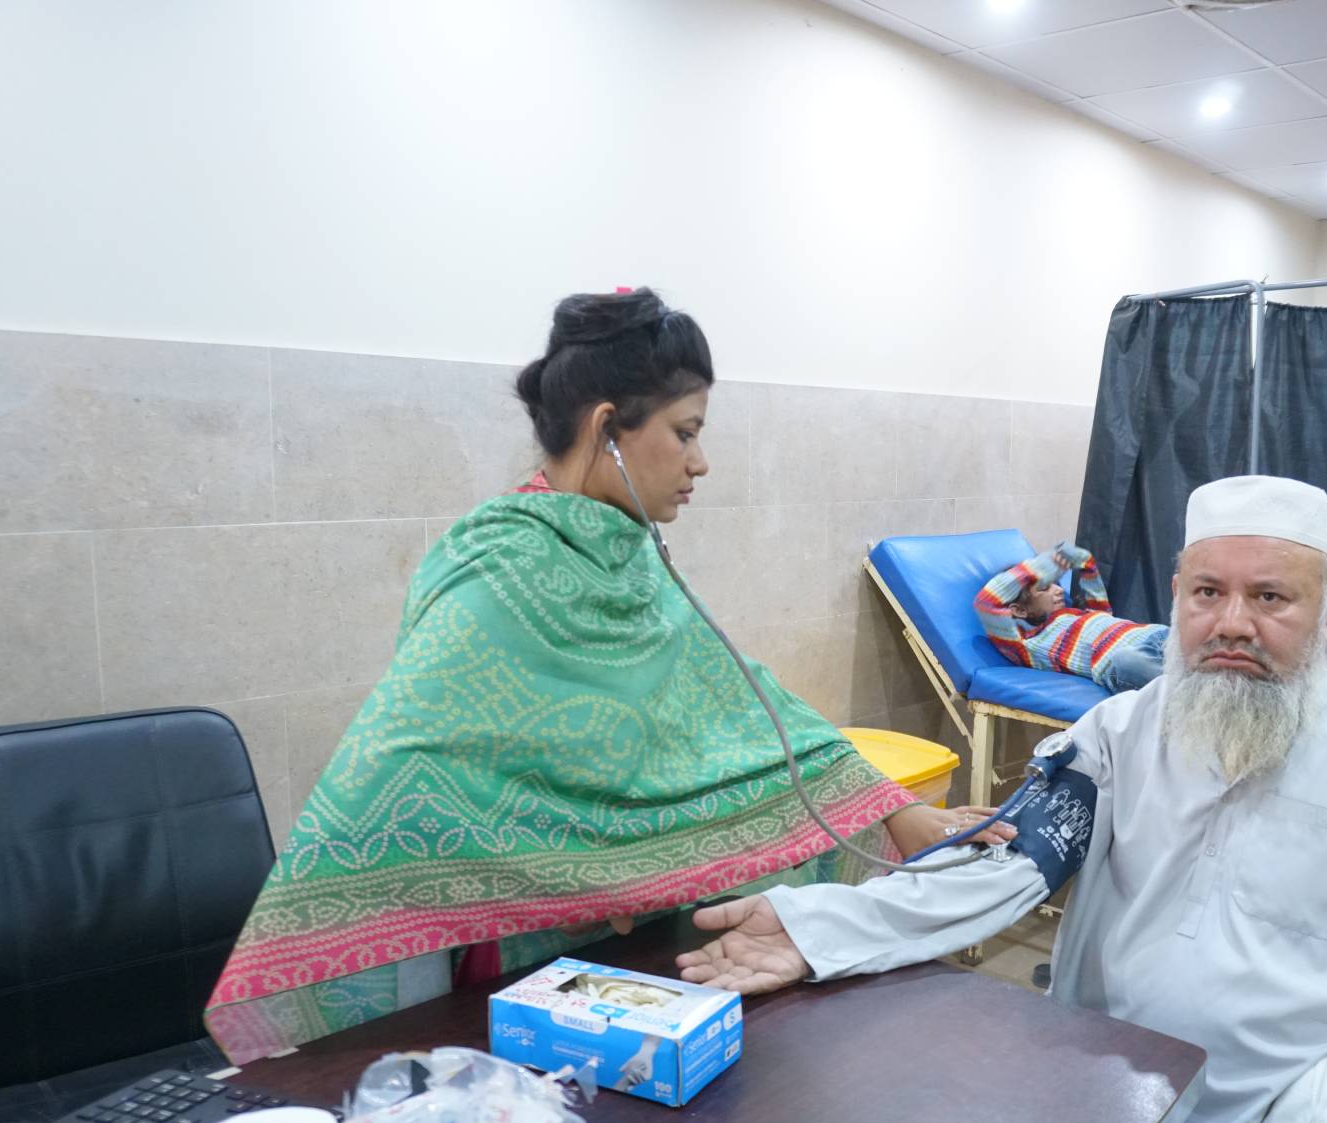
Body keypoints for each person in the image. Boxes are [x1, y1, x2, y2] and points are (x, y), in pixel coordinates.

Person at [679, 476, 1327, 1123]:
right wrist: (819, 926)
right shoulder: (1115, 735)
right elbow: (999, 870)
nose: (1233, 623)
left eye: (1271, 597)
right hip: (1105, 1093)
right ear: (1177, 599)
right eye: (1207, 593)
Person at [204, 289, 1010, 1063]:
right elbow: (408, 772)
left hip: (647, 962)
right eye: (685, 432)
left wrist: (893, 810)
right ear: (607, 429)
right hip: (519, 982)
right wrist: (599, 868)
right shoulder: (497, 571)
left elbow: (742, 708)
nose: (702, 462)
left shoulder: (628, 558)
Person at [974, 541, 1170, 692]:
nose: (1059, 590)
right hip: (1127, 663)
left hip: (1157, 637)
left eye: (1056, 583)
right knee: (1126, 660)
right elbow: (986, 602)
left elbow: (1103, 612)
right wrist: (1041, 567)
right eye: (1045, 588)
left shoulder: (1074, 615)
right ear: (1020, 610)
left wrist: (1087, 565)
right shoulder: (1026, 645)